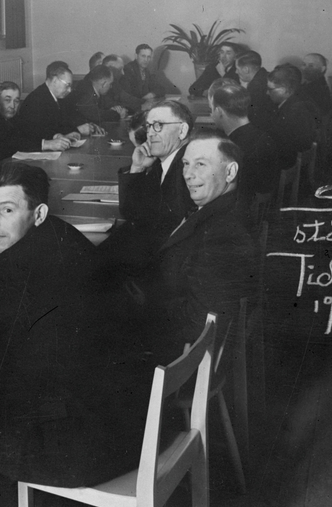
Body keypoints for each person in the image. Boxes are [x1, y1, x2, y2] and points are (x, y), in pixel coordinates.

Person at [0, 161, 153, 496]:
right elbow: (24, 279)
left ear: (38, 213)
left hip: (74, 450)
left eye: (7, 210)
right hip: (128, 422)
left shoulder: (16, 271)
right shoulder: (61, 233)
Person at [149, 134, 259, 362]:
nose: (188, 174)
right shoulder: (220, 207)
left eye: (200, 164)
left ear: (230, 172)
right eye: (185, 164)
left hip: (172, 353)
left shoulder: (223, 234)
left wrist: (143, 308)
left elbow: (200, 321)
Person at [97, 99, 195, 273]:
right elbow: (131, 212)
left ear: (182, 130)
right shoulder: (163, 162)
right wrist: (138, 167)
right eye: (149, 126)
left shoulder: (187, 168)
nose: (150, 134)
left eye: (158, 125)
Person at [209, 83, 281, 209]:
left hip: (240, 209)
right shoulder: (262, 136)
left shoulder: (232, 148)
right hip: (260, 207)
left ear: (219, 111)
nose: (211, 114)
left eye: (211, 109)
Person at [0, 81, 72, 158]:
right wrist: (46, 144)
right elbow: (10, 143)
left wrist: (54, 136)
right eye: (7, 100)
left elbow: (29, 131)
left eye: (16, 101)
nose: (12, 106)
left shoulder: (11, 115)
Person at [13, 61, 94, 145]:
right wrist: (77, 130)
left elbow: (60, 125)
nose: (69, 90)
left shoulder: (56, 96)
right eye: (67, 85)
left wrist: (71, 131)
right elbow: (38, 134)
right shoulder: (37, 99)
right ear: (55, 80)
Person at [261, 64, 319, 169]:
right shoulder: (297, 101)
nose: (267, 93)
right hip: (294, 154)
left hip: (288, 161)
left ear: (284, 89)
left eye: (270, 89)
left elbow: (283, 142)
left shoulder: (294, 111)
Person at [116, 44, 181, 109]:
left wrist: (151, 94)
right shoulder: (128, 69)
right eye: (143, 56)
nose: (146, 60)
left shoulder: (146, 71)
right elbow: (128, 97)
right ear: (136, 56)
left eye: (148, 57)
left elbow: (161, 89)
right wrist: (143, 101)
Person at [67, 64, 120, 130]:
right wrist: (117, 114)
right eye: (110, 84)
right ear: (103, 84)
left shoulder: (89, 88)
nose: (111, 87)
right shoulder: (87, 93)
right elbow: (95, 116)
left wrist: (113, 109)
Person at [233, 50, 272, 127]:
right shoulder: (268, 76)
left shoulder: (255, 86)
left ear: (246, 69)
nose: (236, 72)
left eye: (237, 68)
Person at [299, 52, 332, 117]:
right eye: (304, 64)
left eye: (311, 66)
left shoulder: (318, 90)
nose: (305, 68)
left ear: (322, 69)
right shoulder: (306, 85)